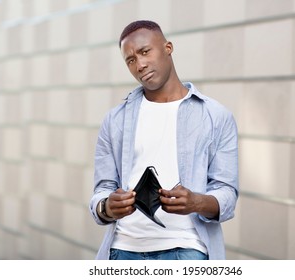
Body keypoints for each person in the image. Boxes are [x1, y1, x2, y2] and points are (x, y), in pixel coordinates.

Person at [89, 20, 238, 260]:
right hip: (124, 249)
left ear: (168, 47)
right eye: (130, 60)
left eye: (145, 51)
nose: (140, 64)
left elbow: (227, 194)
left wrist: (196, 202)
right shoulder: (114, 120)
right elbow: (102, 190)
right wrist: (106, 206)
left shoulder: (216, 116)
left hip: (188, 249)